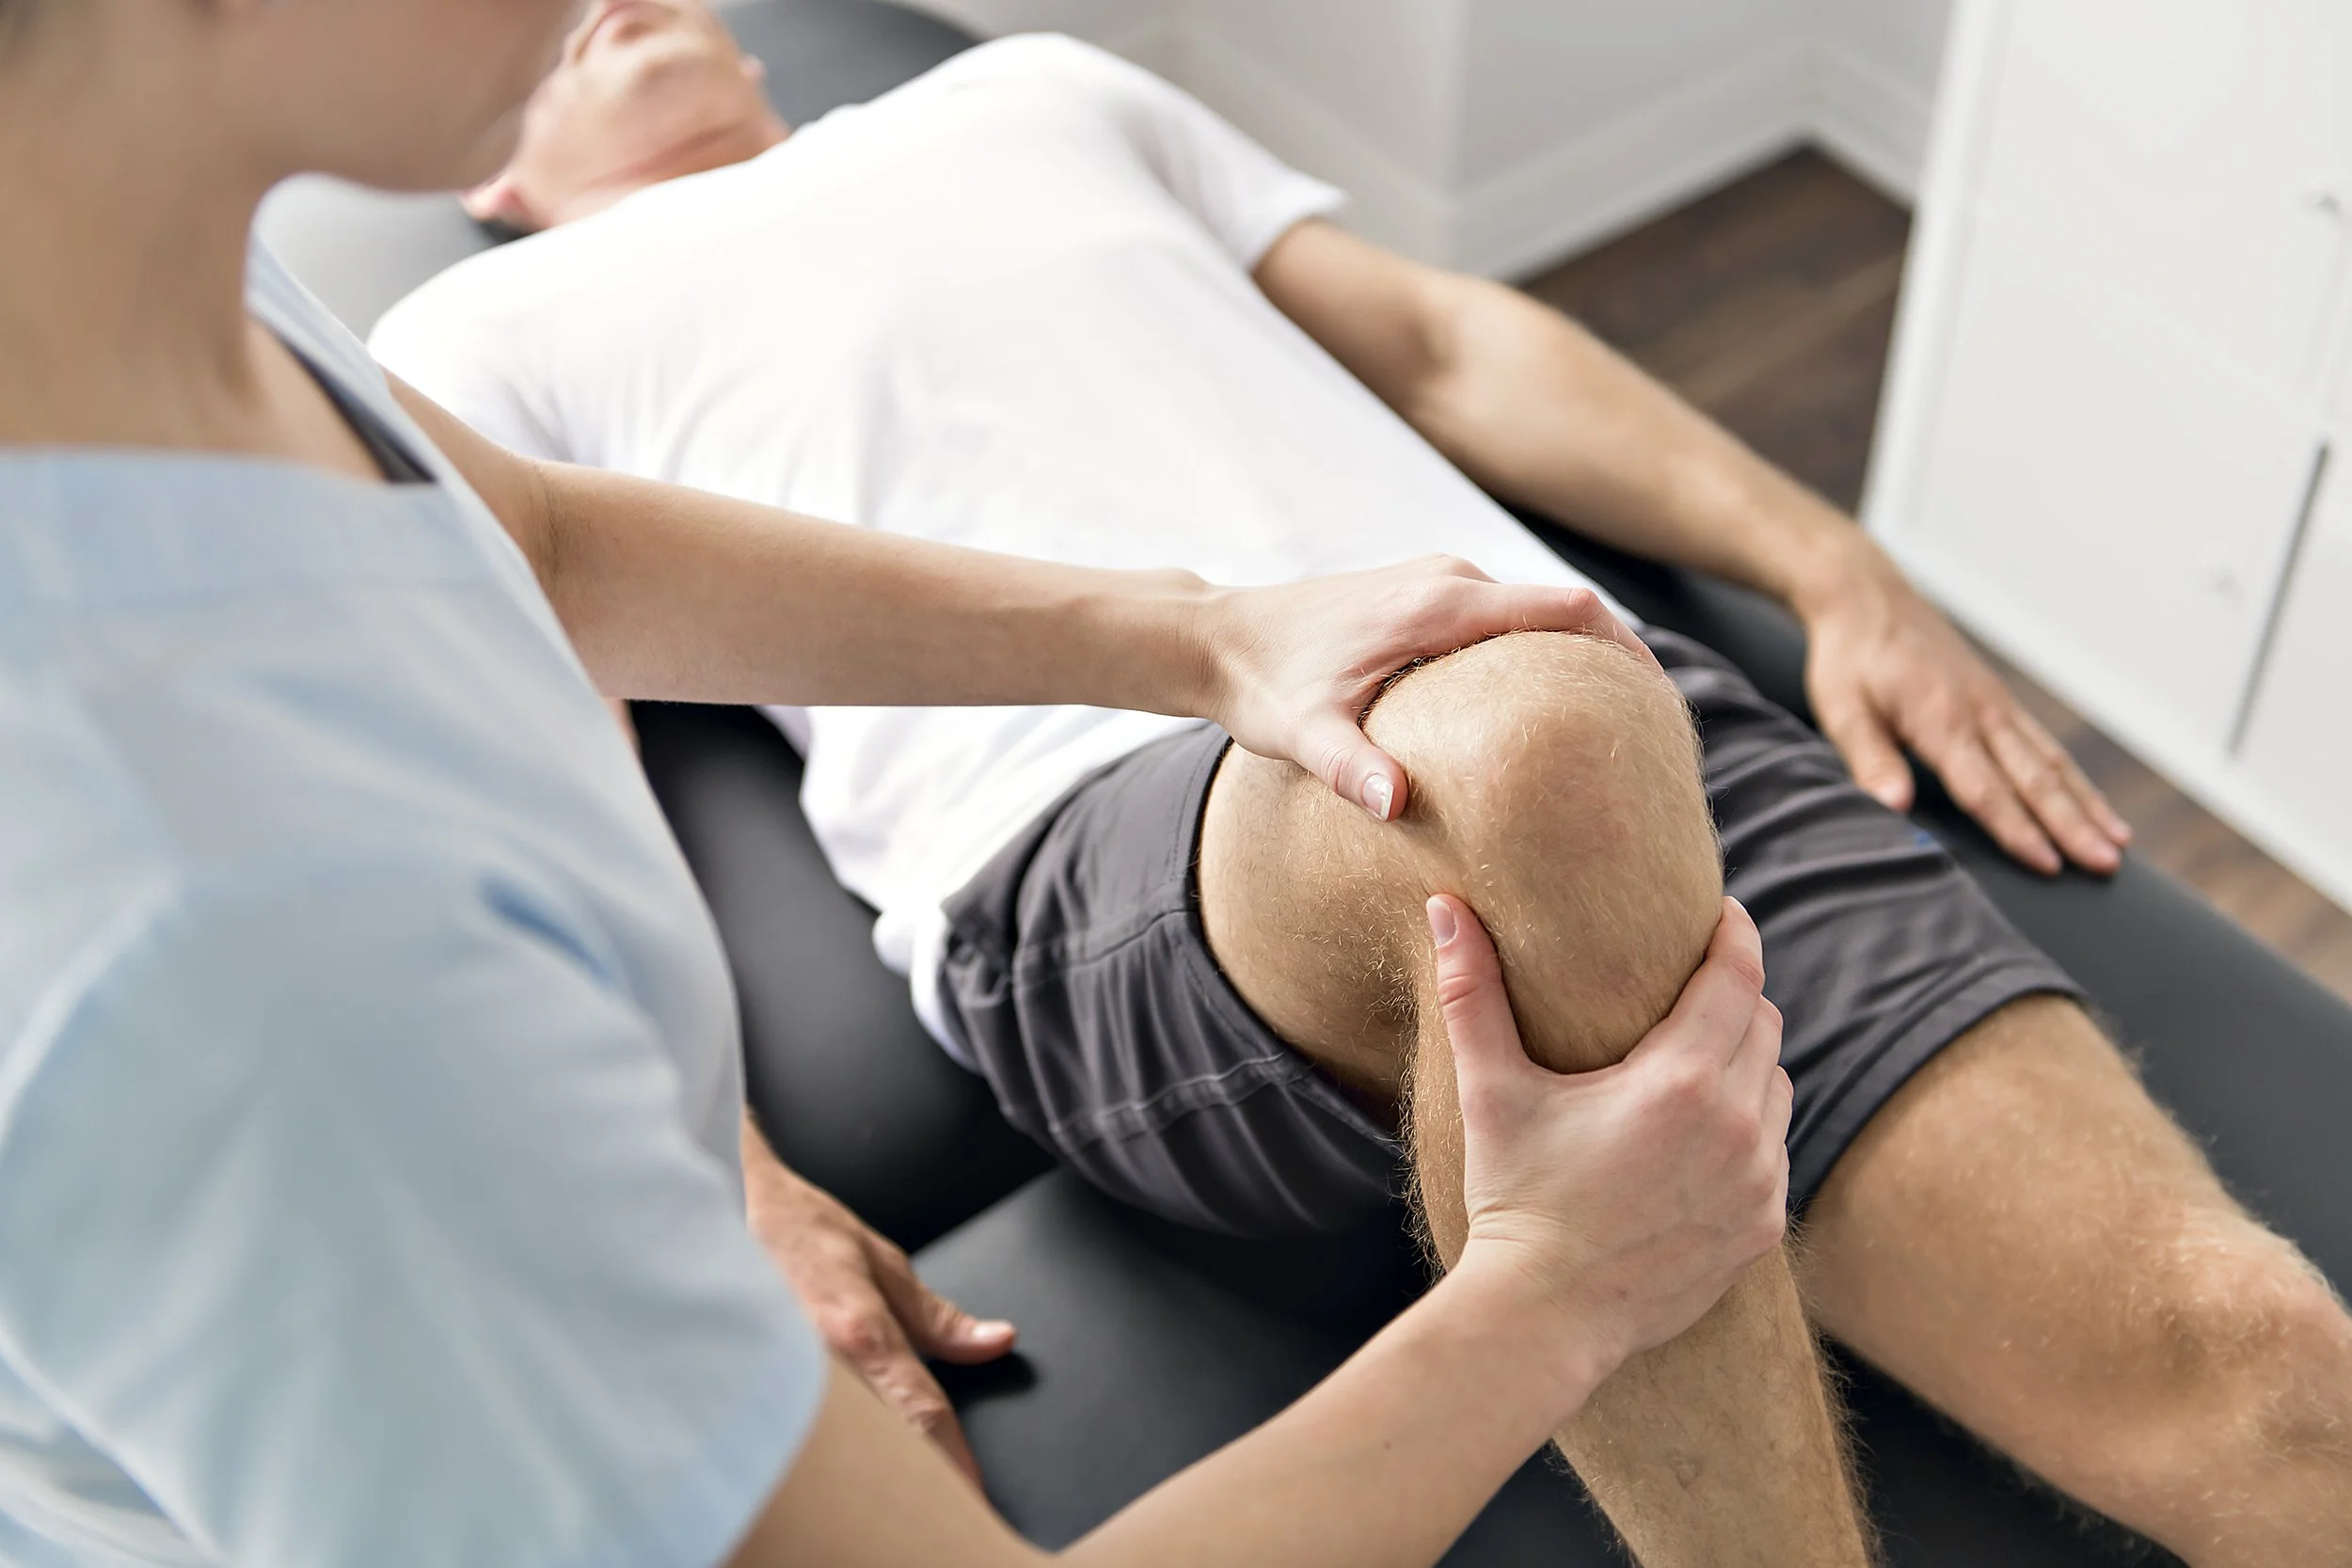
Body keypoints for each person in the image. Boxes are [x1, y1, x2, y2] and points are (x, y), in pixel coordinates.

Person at [372, 11, 2352, 1566]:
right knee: (1525, 739)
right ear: (479, 174)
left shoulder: (1027, 96)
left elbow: (1435, 337)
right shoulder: (464, 335)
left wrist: (1828, 562)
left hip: (1595, 705)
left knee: (2275, 1384)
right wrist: (722, 1171)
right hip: (1126, 843)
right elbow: (534, 751)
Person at [0, 2, 1797, 1566]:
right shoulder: (231, 949)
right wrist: (1560, 1286)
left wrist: (1194, 635)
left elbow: (530, 535)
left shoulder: (125, 244)